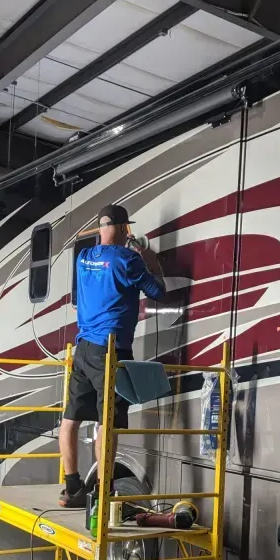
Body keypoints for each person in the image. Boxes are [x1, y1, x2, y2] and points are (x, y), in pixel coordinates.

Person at [58, 203, 165, 507]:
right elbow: (158, 292)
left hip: (83, 348)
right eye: (126, 227)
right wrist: (151, 262)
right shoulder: (129, 259)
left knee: (71, 418)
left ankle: (72, 487)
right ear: (120, 228)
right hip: (111, 350)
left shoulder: (83, 258)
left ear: (101, 228)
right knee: (108, 421)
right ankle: (103, 492)